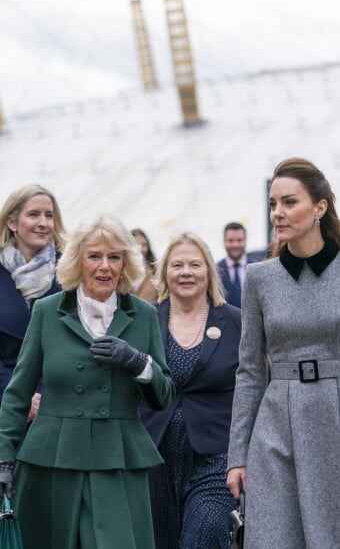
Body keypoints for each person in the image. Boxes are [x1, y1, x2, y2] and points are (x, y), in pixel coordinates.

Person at [0, 213, 175, 549]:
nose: (105, 267)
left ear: (126, 264)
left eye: (114, 257)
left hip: (117, 461)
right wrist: (1, 457)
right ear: (78, 261)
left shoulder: (144, 315)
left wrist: (137, 362)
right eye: (95, 256)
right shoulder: (47, 311)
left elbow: (163, 396)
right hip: (52, 460)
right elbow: (18, 391)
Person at [227, 157, 340, 547]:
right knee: (277, 536)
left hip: (335, 414)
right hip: (276, 427)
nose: (278, 213)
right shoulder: (260, 278)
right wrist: (237, 455)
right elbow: (250, 372)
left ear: (320, 207)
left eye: (289, 202)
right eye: (273, 204)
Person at [0, 185, 66, 549]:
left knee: (54, 517)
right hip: (0, 406)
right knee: (0, 515)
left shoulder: (69, 273)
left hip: (60, 406)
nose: (43, 223)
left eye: (49, 215)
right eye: (34, 214)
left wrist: (46, 396)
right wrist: (20, 397)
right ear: (12, 221)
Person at [141, 232, 240, 548]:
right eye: (177, 265)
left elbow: (253, 387)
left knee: (206, 533)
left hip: (215, 456)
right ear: (165, 273)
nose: (186, 272)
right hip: (154, 455)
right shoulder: (145, 321)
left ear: (209, 271)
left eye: (195, 264)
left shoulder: (236, 321)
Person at [216, 222, 264, 308]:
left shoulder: (258, 268)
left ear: (245, 241)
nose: (235, 245)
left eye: (239, 240)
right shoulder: (216, 270)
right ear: (224, 242)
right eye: (230, 241)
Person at [131, 228, 158, 302]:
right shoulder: (120, 271)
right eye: (136, 245)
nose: (140, 249)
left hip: (151, 312)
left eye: (144, 245)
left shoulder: (156, 270)